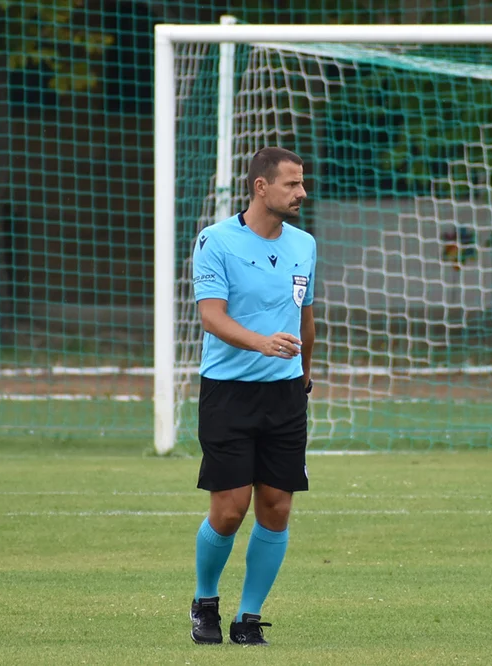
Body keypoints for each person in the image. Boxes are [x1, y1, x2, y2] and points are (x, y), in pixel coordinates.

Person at [188, 147, 318, 645]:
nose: (301, 193)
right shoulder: (216, 241)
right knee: (229, 508)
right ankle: (204, 601)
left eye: (301, 183)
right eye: (291, 184)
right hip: (228, 394)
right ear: (260, 187)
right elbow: (212, 317)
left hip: (285, 395)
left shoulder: (304, 244)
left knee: (277, 506)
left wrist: (305, 372)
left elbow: (305, 317)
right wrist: (262, 342)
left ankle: (248, 616)